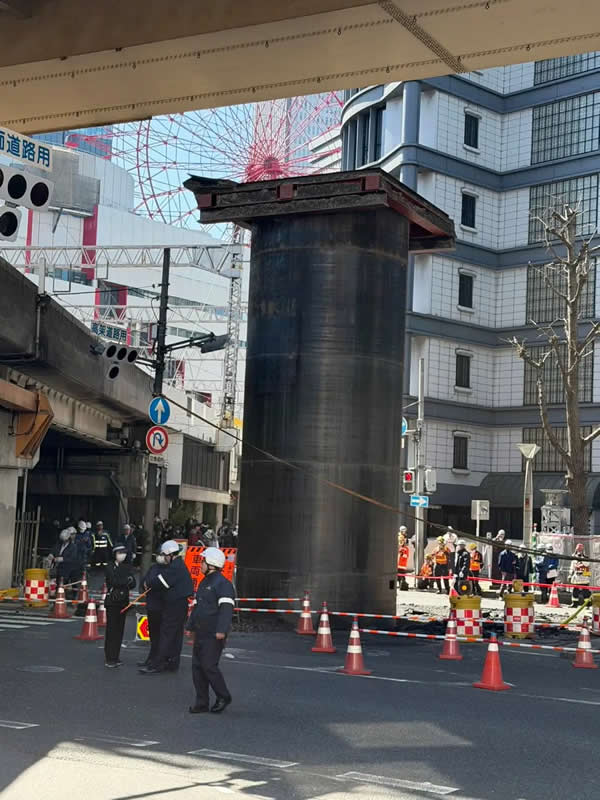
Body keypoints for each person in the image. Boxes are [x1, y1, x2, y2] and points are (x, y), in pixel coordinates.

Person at [187, 546, 235, 714]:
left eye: (203, 561)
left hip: (214, 633)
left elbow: (226, 609)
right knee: (197, 667)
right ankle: (201, 702)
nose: (201, 564)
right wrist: (190, 626)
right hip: (201, 632)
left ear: (211, 564)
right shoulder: (204, 582)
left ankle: (223, 696)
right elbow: (197, 607)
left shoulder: (223, 584)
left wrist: (221, 630)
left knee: (209, 666)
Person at [139, 540, 194, 674]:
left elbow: (160, 582)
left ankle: (158, 664)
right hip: (178, 604)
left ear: (170, 554)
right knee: (175, 635)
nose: (163, 557)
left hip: (175, 605)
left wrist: (149, 584)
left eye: (164, 554)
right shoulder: (177, 565)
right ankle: (172, 662)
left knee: (167, 633)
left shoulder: (174, 568)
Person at [104, 544, 136, 668]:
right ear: (115, 554)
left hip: (123, 602)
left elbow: (133, 582)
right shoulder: (110, 566)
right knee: (112, 630)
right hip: (112, 601)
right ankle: (109, 657)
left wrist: (127, 581)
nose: (122, 555)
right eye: (119, 552)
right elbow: (113, 581)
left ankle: (116, 656)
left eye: (124, 552)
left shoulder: (127, 567)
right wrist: (126, 581)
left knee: (119, 630)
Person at [137, 554, 166, 669]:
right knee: (153, 635)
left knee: (160, 635)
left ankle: (158, 660)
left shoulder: (167, 569)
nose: (161, 556)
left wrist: (150, 584)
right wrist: (147, 584)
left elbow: (159, 585)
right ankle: (151, 658)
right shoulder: (153, 568)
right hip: (151, 605)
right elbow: (144, 581)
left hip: (161, 606)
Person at [49, 528, 79, 598]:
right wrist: (51, 554)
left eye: (65, 540)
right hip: (59, 568)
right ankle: (58, 598)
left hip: (69, 569)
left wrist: (63, 559)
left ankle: (70, 598)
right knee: (59, 584)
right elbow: (54, 550)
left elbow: (73, 558)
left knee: (65, 584)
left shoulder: (73, 547)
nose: (63, 541)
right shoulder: (59, 544)